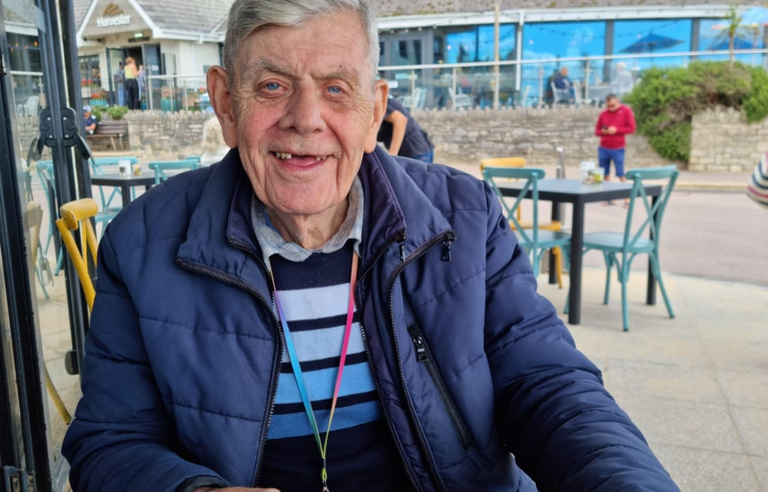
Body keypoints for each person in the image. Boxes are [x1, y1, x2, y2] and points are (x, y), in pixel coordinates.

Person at [62, 2, 680, 492]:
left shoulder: (467, 218)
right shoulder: (140, 245)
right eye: (273, 85)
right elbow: (110, 442)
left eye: (337, 89)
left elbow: (549, 386)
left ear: (375, 110)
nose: (306, 119)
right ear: (226, 102)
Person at [595, 93, 636, 205]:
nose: (610, 108)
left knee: (621, 173)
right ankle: (608, 197)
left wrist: (616, 130)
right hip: (604, 147)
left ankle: (627, 198)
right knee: (605, 174)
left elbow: (632, 129)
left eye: (612, 105)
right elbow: (597, 131)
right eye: (608, 106)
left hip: (618, 147)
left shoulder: (626, 111)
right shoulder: (603, 114)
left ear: (617, 101)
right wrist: (604, 131)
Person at [377, 96, 434, 163]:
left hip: (413, 151)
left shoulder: (378, 100)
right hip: (420, 149)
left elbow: (400, 120)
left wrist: (393, 154)